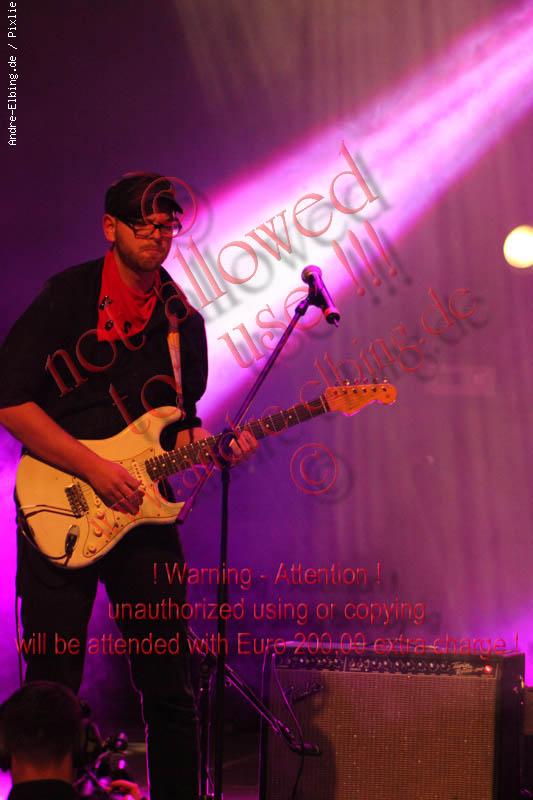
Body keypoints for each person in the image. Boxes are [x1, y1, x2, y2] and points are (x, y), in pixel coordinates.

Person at [0, 172, 257, 800]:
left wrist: (215, 445)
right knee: (51, 682)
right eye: (142, 223)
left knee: (171, 683)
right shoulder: (67, 298)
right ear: (110, 227)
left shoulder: (182, 320)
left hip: (143, 519)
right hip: (61, 500)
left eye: (166, 224)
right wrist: (94, 468)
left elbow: (180, 426)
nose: (156, 234)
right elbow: (9, 402)